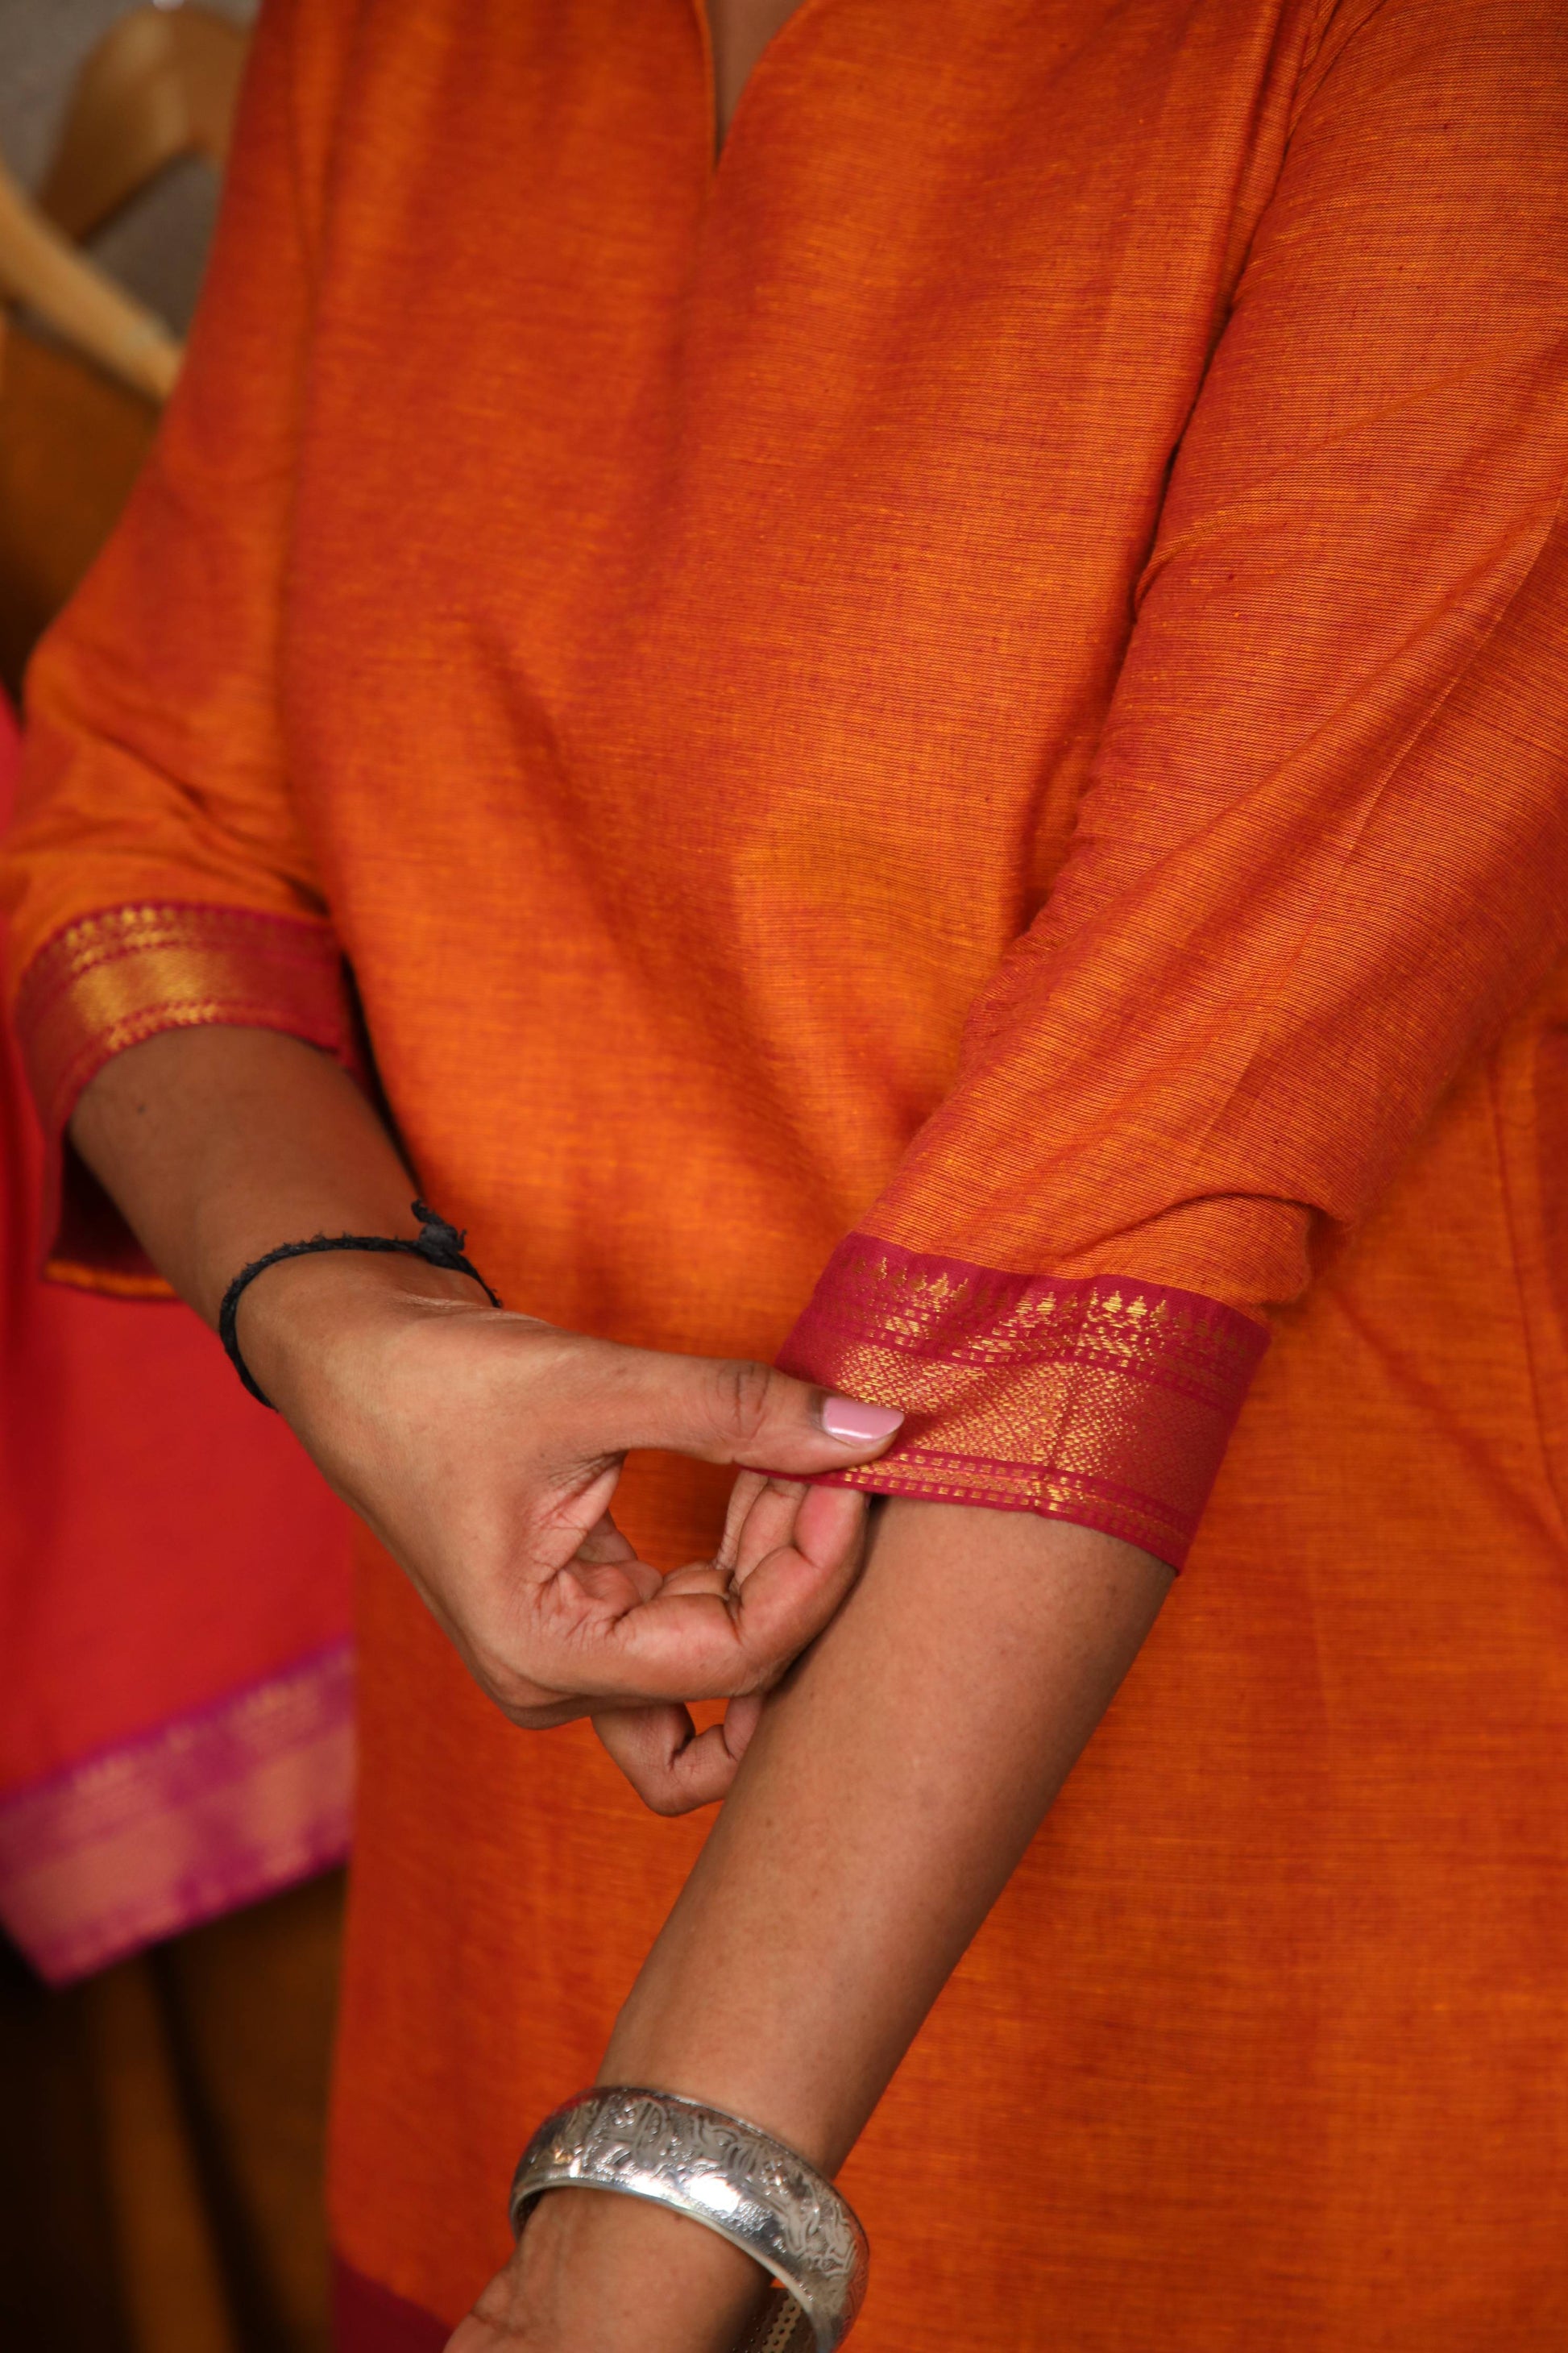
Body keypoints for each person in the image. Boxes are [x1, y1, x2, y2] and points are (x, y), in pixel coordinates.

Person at [5, 0, 1568, 2345]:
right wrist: (341, 1315)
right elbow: (149, 807)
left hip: (1285, 2002)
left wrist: (655, 2203)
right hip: (528, 1952)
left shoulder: (1459, 63)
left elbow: (1141, 1161)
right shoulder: (415, 40)